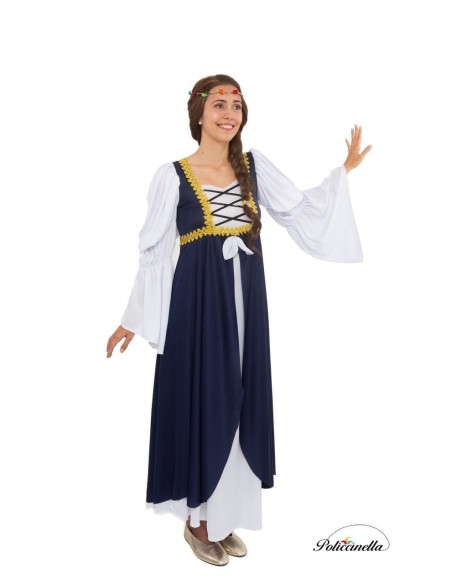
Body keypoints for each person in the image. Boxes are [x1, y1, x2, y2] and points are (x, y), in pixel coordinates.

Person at [106, 74, 372, 566]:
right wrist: (132, 318)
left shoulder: (252, 168)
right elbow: (154, 253)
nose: (229, 113)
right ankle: (198, 521)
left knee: (241, 394)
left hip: (247, 301)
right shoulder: (173, 175)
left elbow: (300, 210)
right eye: (219, 104)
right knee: (207, 396)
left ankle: (223, 517)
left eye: (237, 105)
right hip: (197, 306)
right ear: (199, 114)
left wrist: (344, 172)